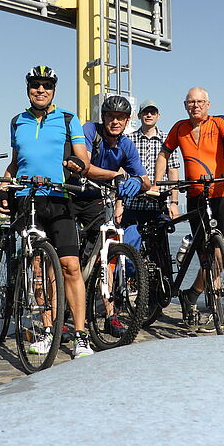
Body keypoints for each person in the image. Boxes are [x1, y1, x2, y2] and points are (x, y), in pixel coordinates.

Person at [0, 66, 96, 358]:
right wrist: (3, 188)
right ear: (28, 88)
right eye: (35, 85)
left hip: (60, 197)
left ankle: (80, 334)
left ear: (54, 89)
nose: (41, 90)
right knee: (37, 268)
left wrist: (79, 165)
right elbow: (16, 162)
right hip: (28, 198)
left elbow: (83, 158)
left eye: (46, 85)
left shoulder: (67, 118)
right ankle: (47, 330)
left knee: (70, 267)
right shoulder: (17, 122)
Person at [153, 87, 224, 330]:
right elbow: (164, 154)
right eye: (190, 102)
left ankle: (195, 294)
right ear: (185, 105)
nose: (195, 106)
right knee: (205, 255)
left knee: (222, 253)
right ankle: (202, 300)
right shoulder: (179, 128)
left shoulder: (219, 122)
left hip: (221, 193)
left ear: (208, 104)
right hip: (196, 195)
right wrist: (157, 183)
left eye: (200, 102)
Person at [73, 95, 151, 337]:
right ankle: (65, 313)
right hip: (75, 194)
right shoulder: (89, 131)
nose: (115, 121)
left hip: (99, 199)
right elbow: (84, 165)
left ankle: (110, 314)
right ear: (103, 117)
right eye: (111, 117)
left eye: (120, 118)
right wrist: (117, 176)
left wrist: (137, 182)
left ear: (127, 121)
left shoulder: (126, 144)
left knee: (107, 255)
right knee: (70, 256)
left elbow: (147, 180)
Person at [119, 99, 181, 249]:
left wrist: (174, 203)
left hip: (158, 204)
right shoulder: (128, 139)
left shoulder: (167, 140)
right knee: (130, 249)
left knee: (160, 253)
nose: (149, 115)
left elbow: (173, 172)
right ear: (139, 115)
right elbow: (121, 172)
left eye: (152, 112)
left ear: (158, 115)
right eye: (145, 112)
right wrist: (119, 203)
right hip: (133, 203)